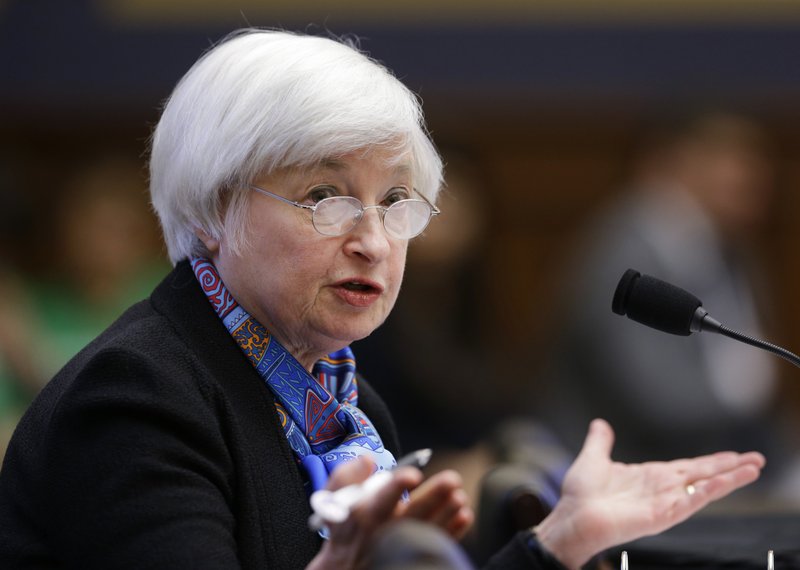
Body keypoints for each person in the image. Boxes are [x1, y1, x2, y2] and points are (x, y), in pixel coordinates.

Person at [0, 29, 765, 569]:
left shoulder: (345, 403)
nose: (374, 238)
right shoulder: (137, 399)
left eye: (397, 199)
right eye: (325, 196)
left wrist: (561, 541)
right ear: (211, 211)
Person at [535, 113, 791, 492]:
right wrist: (749, 405)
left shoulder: (729, 249)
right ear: (680, 163)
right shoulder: (623, 252)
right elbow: (658, 403)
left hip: (715, 459)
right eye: (732, 160)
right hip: (624, 471)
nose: (751, 179)